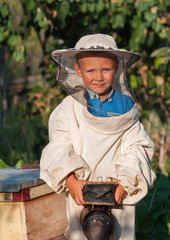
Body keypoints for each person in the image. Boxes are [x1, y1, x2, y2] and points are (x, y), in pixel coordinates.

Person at [40, 33, 156, 240]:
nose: (98, 76)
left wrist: (125, 182)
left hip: (118, 194)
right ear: (78, 70)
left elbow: (138, 147)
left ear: (117, 67)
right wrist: (71, 179)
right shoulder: (68, 109)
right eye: (90, 70)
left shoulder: (127, 108)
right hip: (80, 195)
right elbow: (59, 144)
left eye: (106, 69)